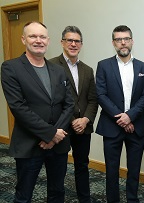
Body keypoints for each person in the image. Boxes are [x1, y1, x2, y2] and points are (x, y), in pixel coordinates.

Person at [1, 21, 74, 202]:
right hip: (29, 143)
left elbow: (69, 104)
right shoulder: (11, 67)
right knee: (24, 195)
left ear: (48, 41)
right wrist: (50, 134)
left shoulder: (59, 70)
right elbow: (18, 107)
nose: (38, 40)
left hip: (59, 144)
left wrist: (55, 135)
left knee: (57, 192)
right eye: (33, 36)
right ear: (23, 39)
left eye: (42, 37)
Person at [96, 25, 144, 203]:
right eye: (119, 40)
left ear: (132, 41)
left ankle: (132, 200)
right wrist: (122, 118)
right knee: (112, 171)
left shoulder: (143, 67)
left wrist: (130, 116)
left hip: (136, 126)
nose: (123, 43)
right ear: (113, 43)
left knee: (134, 171)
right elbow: (101, 95)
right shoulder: (103, 65)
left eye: (126, 39)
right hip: (111, 127)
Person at [49, 25, 98, 203]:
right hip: (61, 128)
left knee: (82, 166)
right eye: (69, 40)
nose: (73, 44)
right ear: (62, 42)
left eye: (77, 41)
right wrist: (72, 121)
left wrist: (85, 119)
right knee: (58, 168)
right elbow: (54, 100)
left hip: (83, 128)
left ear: (81, 44)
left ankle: (84, 199)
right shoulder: (51, 65)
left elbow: (93, 99)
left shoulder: (88, 69)